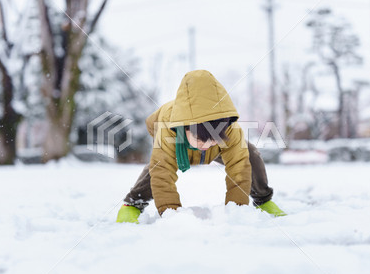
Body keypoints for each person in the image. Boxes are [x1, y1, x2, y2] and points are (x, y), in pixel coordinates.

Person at [116, 70, 285, 223]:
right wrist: (171, 215)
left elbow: (238, 167)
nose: (207, 144)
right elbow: (163, 175)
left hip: (218, 151)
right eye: (201, 138)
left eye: (213, 138)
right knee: (157, 167)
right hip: (178, 146)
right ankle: (132, 204)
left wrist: (237, 210)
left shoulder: (229, 129)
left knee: (249, 155)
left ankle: (263, 200)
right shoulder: (167, 128)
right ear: (184, 127)